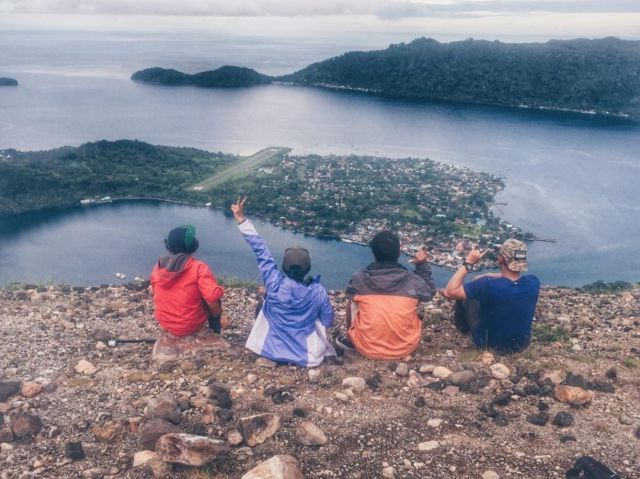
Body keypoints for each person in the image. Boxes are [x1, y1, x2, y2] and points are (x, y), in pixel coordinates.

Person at [231, 197, 335, 367]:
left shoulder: (273, 283)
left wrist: (241, 218)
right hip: (307, 356)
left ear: (284, 268)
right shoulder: (318, 291)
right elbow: (327, 321)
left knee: (264, 303)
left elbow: (261, 250)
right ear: (307, 269)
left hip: (269, 350)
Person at [336, 230, 436, 359]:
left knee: (353, 300)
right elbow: (429, 293)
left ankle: (351, 340)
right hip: (405, 347)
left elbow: (349, 293)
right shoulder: (413, 280)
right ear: (399, 252)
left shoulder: (360, 278)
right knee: (413, 297)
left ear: (373, 253)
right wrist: (422, 265)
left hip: (366, 347)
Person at [443, 239, 540, 353]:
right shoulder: (534, 282)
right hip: (522, 344)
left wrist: (469, 263)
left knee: (467, 297)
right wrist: (489, 274)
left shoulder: (487, 285)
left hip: (489, 344)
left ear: (501, 258)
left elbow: (449, 292)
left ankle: (463, 328)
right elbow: (513, 277)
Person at [150, 225, 226, 337]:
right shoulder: (198, 267)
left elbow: (154, 291)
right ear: (193, 246)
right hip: (190, 325)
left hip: (165, 322)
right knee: (215, 300)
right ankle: (214, 333)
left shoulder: (160, 266)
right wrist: (220, 290)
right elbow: (212, 296)